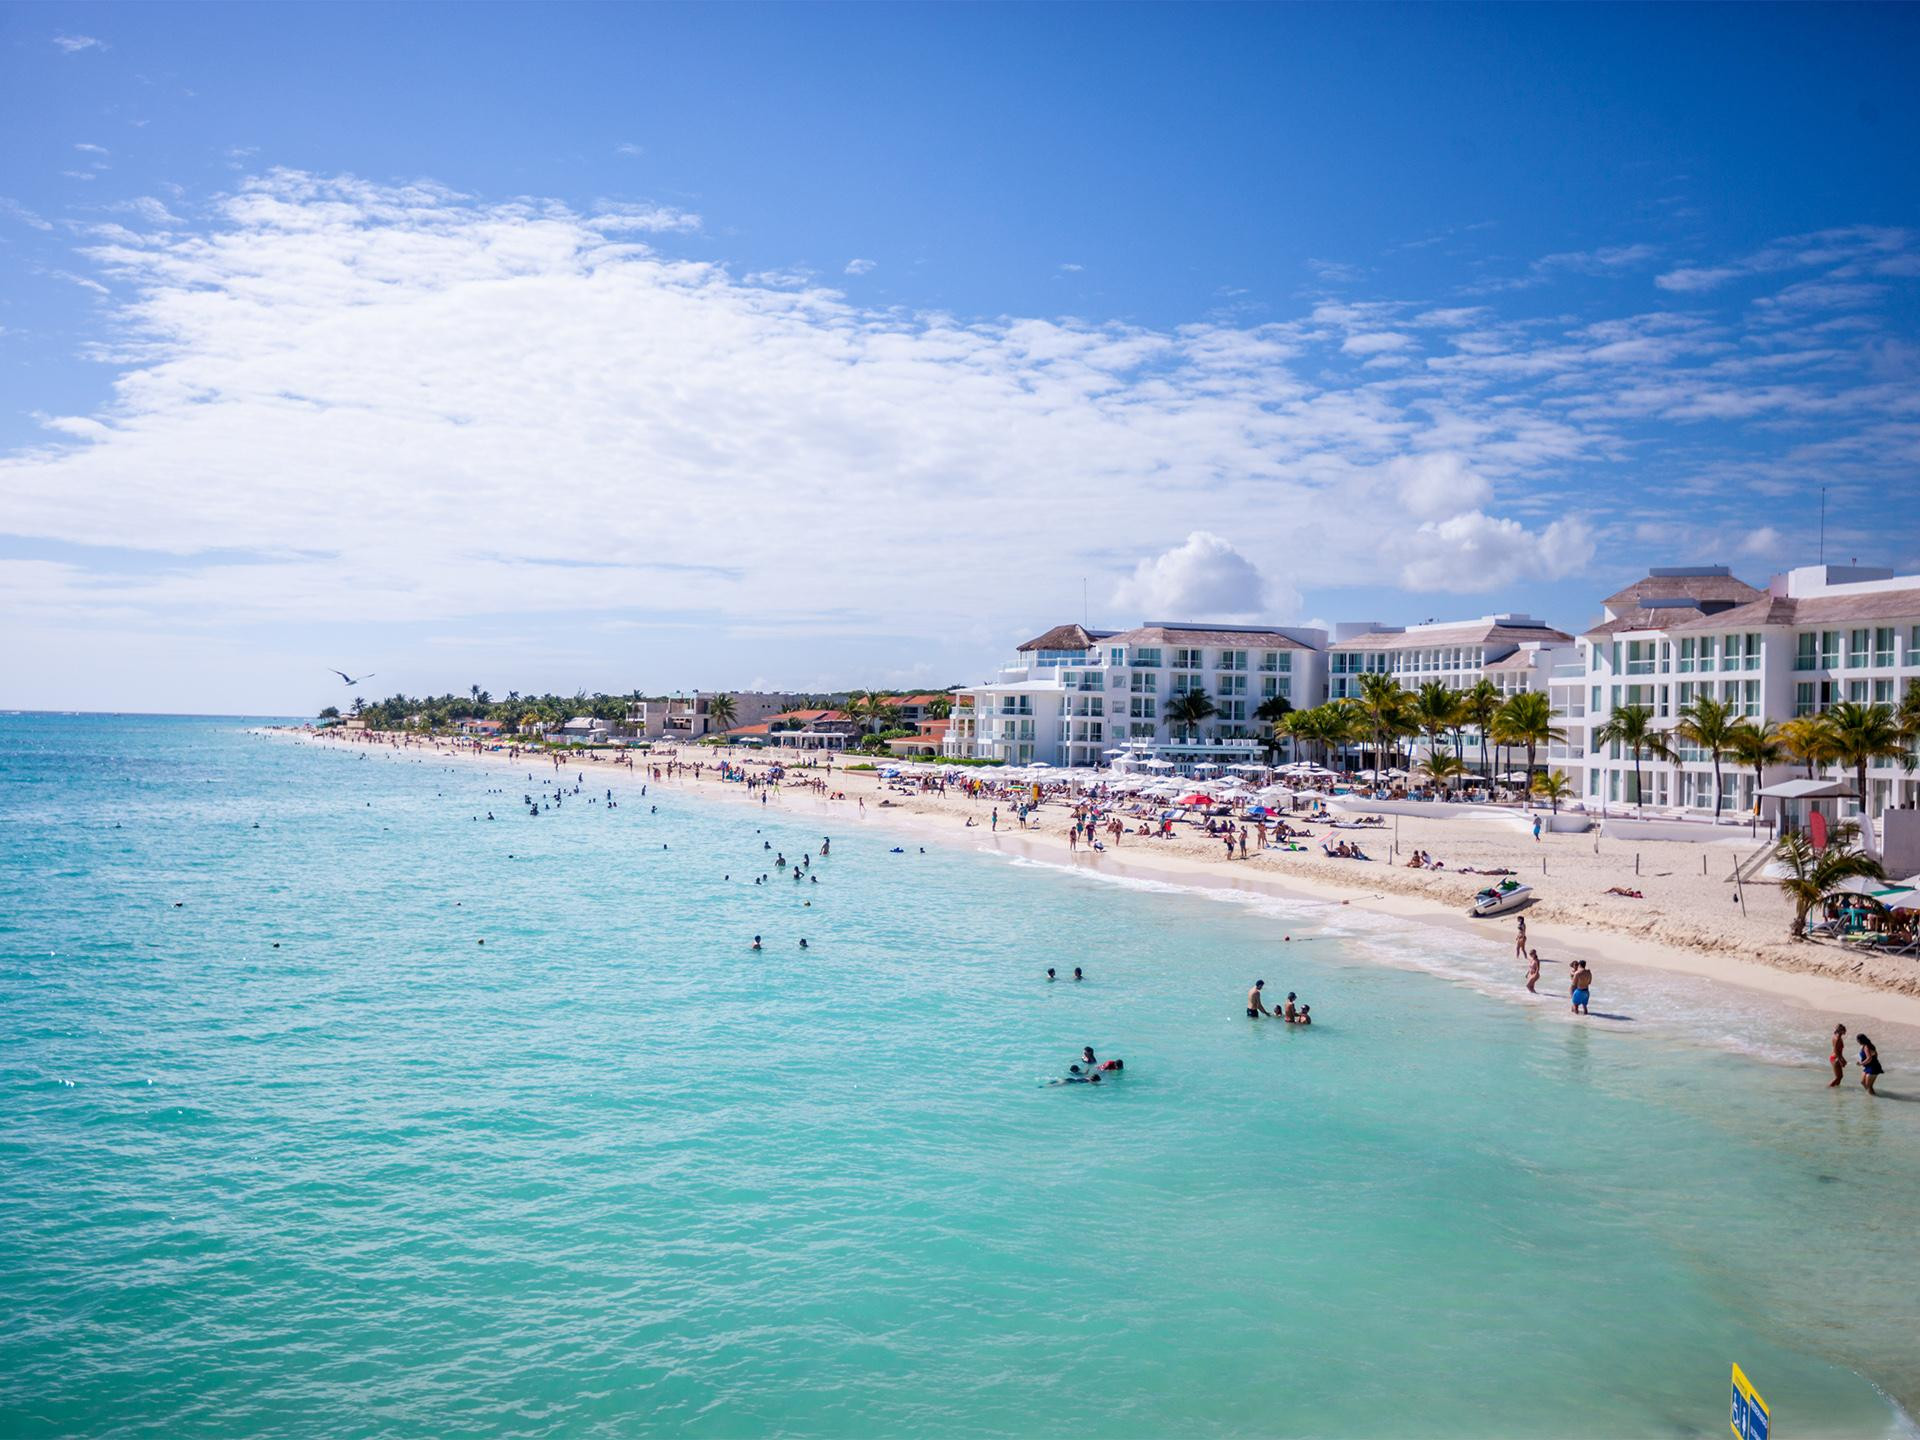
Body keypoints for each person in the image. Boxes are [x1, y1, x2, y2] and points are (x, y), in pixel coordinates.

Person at [1829, 1023, 1848, 1088]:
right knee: (1838, 1077)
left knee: (1839, 1077)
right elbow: (1836, 1051)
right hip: (1835, 1058)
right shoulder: (1838, 1038)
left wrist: (1843, 1059)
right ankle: (1828, 1088)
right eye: (1844, 1030)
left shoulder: (1835, 1036)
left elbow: (1838, 1051)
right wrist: (1840, 1061)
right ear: (1841, 1031)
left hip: (1835, 1057)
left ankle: (1836, 1090)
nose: (1845, 1031)